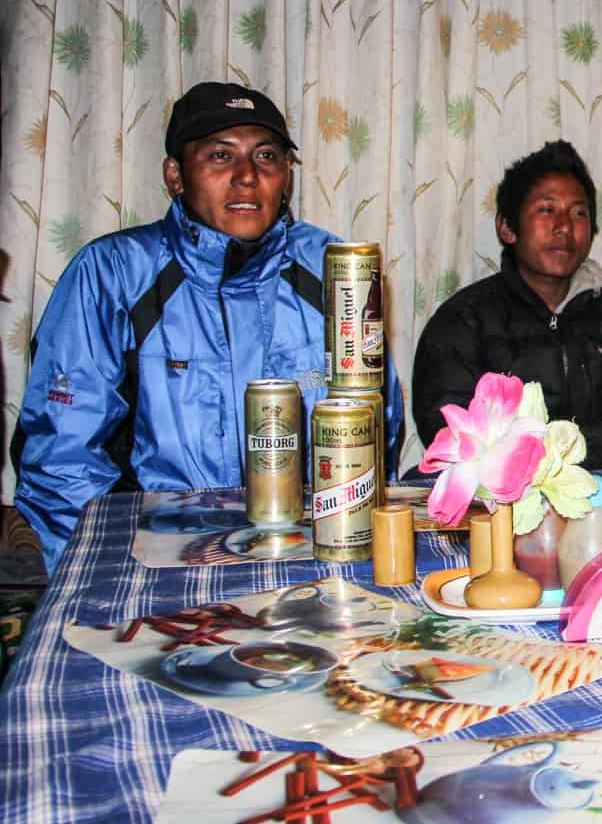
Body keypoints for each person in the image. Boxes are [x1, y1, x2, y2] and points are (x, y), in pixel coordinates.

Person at [12, 82, 406, 572]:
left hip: (311, 556)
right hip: (158, 559)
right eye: (220, 156)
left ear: (286, 174)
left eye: (266, 156)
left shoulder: (331, 268)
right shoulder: (113, 272)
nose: (246, 177)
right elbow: (60, 458)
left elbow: (376, 423)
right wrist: (116, 572)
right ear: (175, 176)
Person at [412, 140, 602, 469]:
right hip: (504, 507)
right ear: (507, 227)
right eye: (547, 209)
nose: (564, 226)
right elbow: (449, 432)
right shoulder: (463, 322)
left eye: (579, 213)